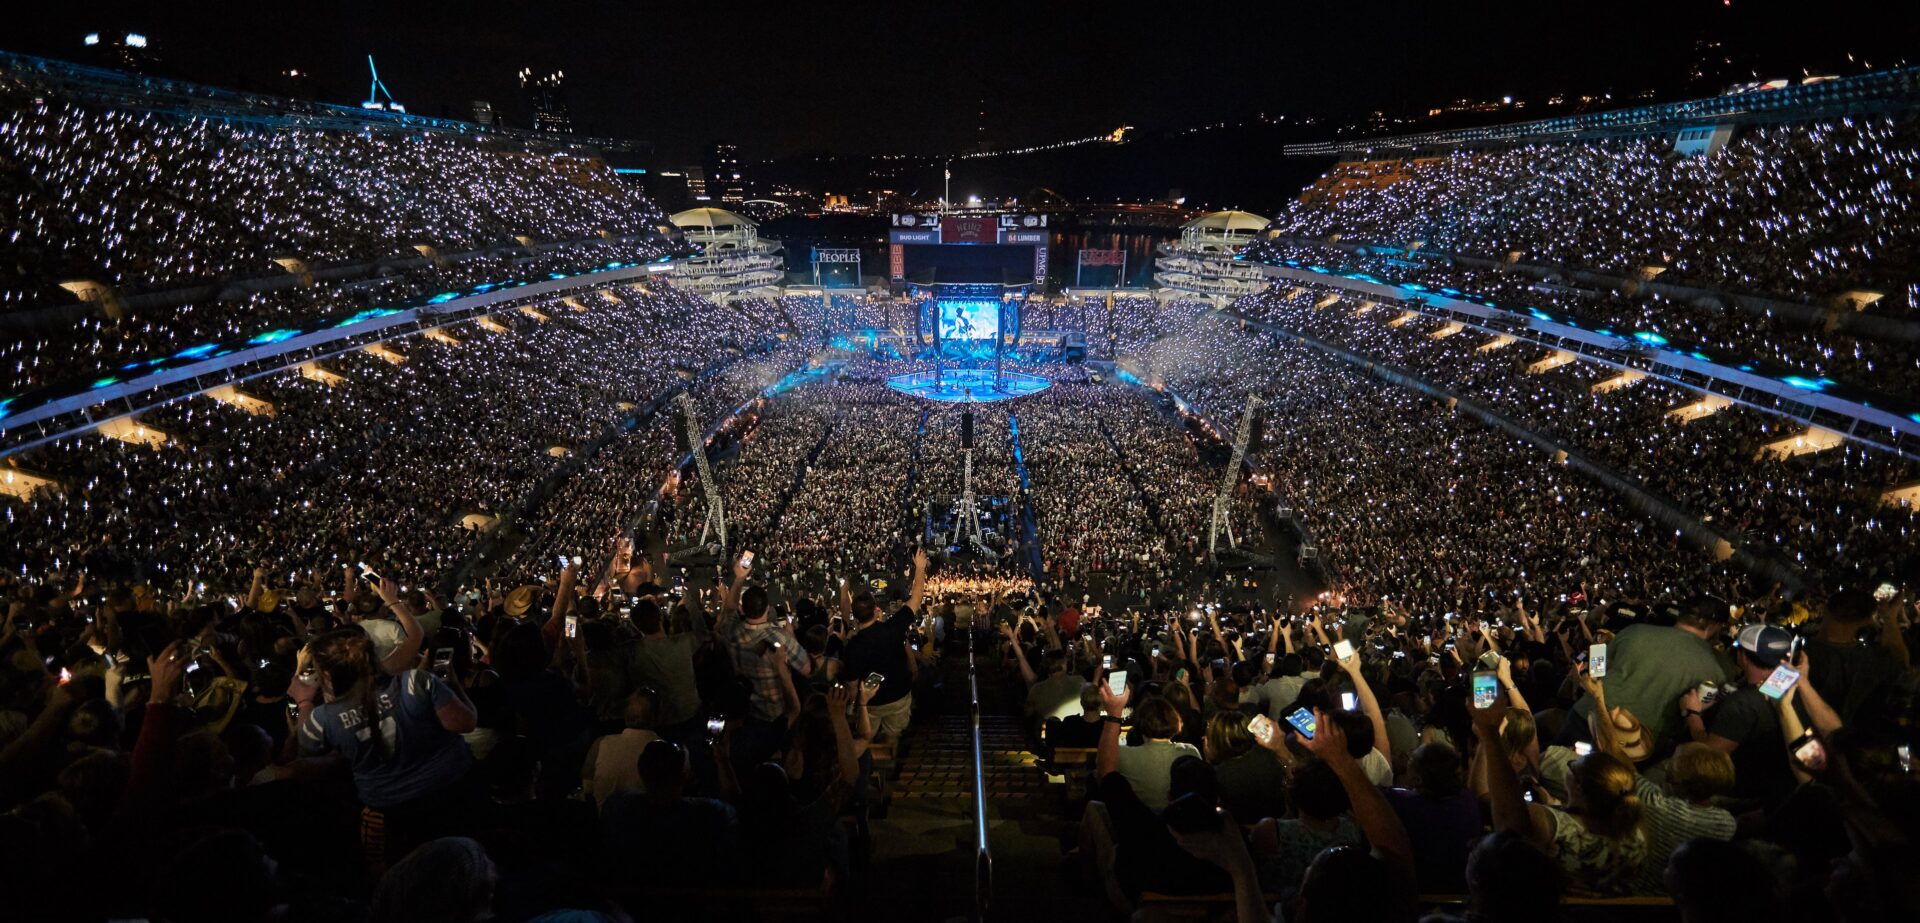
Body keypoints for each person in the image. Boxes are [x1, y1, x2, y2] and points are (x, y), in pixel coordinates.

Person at [294, 580, 479, 869]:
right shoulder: (415, 683)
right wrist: (455, 685)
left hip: (390, 810)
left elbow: (305, 754)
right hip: (451, 790)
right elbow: (466, 723)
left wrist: (305, 703)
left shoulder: (322, 720)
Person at [1476, 671, 1647, 896]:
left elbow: (1494, 807)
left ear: (1578, 787)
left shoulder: (1558, 829)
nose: (1569, 763)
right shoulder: (1636, 829)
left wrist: (1488, 734)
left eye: (1573, 765)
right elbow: (1621, 763)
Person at [1567, 597, 1731, 753]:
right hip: (1638, 743)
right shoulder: (1720, 666)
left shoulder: (1635, 631)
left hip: (1588, 717)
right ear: (1716, 625)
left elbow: (1597, 669)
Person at [1678, 623, 1795, 806]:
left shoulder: (1742, 704)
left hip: (1736, 791)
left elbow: (1710, 755)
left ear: (1743, 656)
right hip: (1772, 787)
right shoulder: (1788, 684)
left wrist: (1692, 713)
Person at [840, 548, 926, 744]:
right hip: (898, 697)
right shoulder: (893, 628)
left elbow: (852, 688)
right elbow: (915, 599)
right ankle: (892, 761)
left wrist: (853, 708)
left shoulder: (852, 646)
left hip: (870, 703)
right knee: (892, 738)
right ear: (876, 610)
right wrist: (920, 568)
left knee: (866, 740)